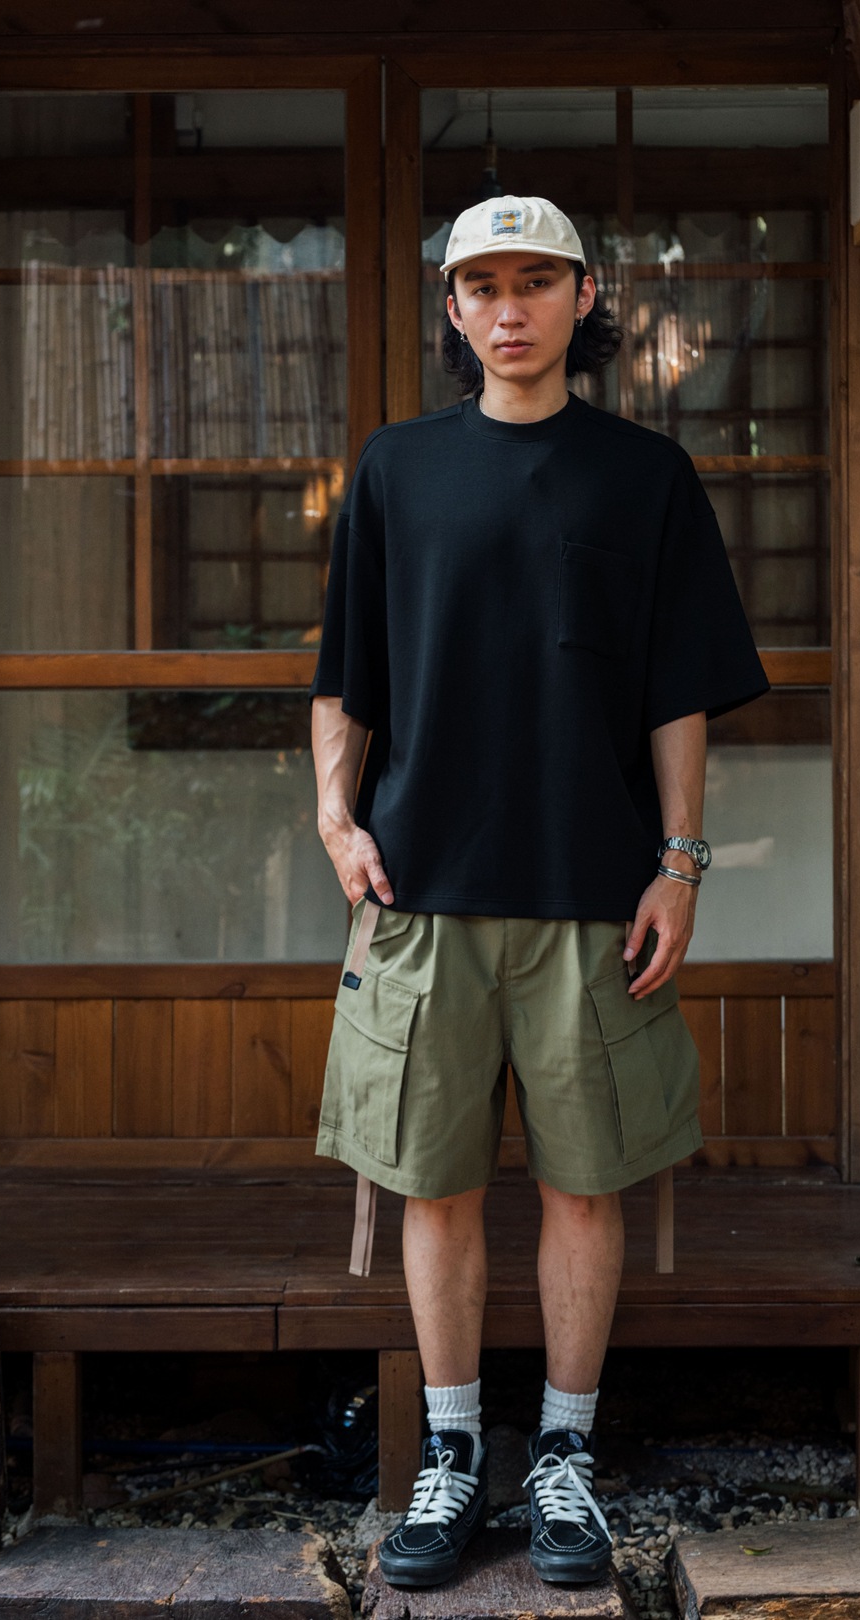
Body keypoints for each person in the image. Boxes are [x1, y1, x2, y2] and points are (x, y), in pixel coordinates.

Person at [308, 194, 769, 1588]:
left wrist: (680, 863)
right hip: (424, 891)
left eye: (536, 282)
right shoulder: (397, 470)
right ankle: (451, 1456)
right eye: (483, 286)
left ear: (583, 298)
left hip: (593, 893)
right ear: (454, 310)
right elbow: (348, 674)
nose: (509, 309)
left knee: (585, 1185)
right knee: (435, 1188)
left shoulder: (646, 478)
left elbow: (679, 691)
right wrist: (335, 821)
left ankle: (565, 1458)